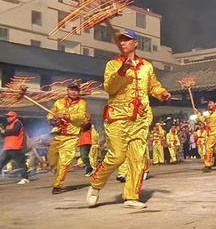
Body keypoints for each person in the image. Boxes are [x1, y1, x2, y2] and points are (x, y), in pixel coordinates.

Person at [87, 30, 171, 209]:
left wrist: (161, 93)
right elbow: (110, 88)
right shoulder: (112, 65)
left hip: (140, 118)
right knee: (116, 156)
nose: (123, 43)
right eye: (120, 40)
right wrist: (122, 71)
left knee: (138, 158)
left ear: (135, 44)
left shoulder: (146, 66)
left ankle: (131, 196)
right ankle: (96, 184)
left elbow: (153, 85)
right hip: (118, 116)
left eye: (127, 40)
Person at [48, 84, 88, 194]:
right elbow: (50, 115)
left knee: (64, 162)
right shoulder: (58, 102)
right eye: (71, 90)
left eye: (76, 90)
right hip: (57, 135)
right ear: (67, 90)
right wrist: (54, 120)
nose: (73, 92)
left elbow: (81, 116)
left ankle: (57, 185)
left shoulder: (82, 103)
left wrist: (66, 116)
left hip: (71, 136)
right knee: (51, 161)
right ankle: (56, 170)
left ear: (79, 92)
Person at [0, 111, 29, 184]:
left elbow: (15, 131)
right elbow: (4, 135)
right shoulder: (8, 126)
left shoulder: (18, 123)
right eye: (7, 117)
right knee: (1, 163)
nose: (7, 118)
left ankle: (25, 178)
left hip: (16, 147)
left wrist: (4, 131)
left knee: (20, 163)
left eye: (9, 116)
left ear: (14, 117)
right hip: (7, 147)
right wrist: (1, 132)